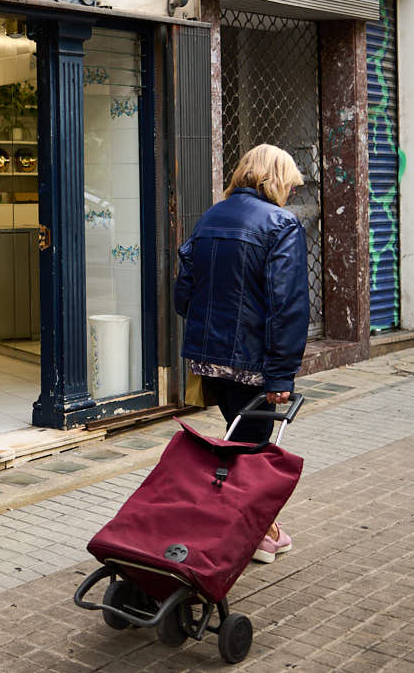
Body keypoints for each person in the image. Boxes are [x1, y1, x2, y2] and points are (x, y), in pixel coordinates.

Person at [173, 143, 308, 564]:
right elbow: (287, 305)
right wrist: (282, 376)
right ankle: (253, 533)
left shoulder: (211, 217)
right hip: (253, 362)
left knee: (239, 439)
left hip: (209, 359)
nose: (289, 193)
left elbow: (183, 295)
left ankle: (258, 528)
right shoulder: (281, 224)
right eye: (289, 184)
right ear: (275, 179)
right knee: (251, 450)